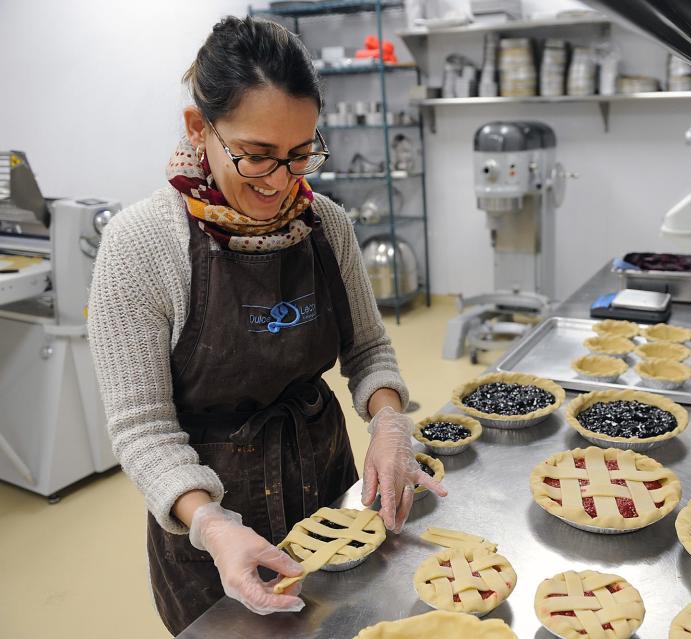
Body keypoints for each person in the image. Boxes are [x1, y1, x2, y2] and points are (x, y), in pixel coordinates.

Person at [87, 16, 445, 635]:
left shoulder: (325, 224)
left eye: (301, 154)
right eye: (256, 156)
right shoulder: (140, 246)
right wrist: (211, 525)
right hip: (212, 521)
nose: (281, 182)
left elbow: (367, 348)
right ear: (200, 129)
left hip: (328, 488)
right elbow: (142, 429)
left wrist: (389, 419)